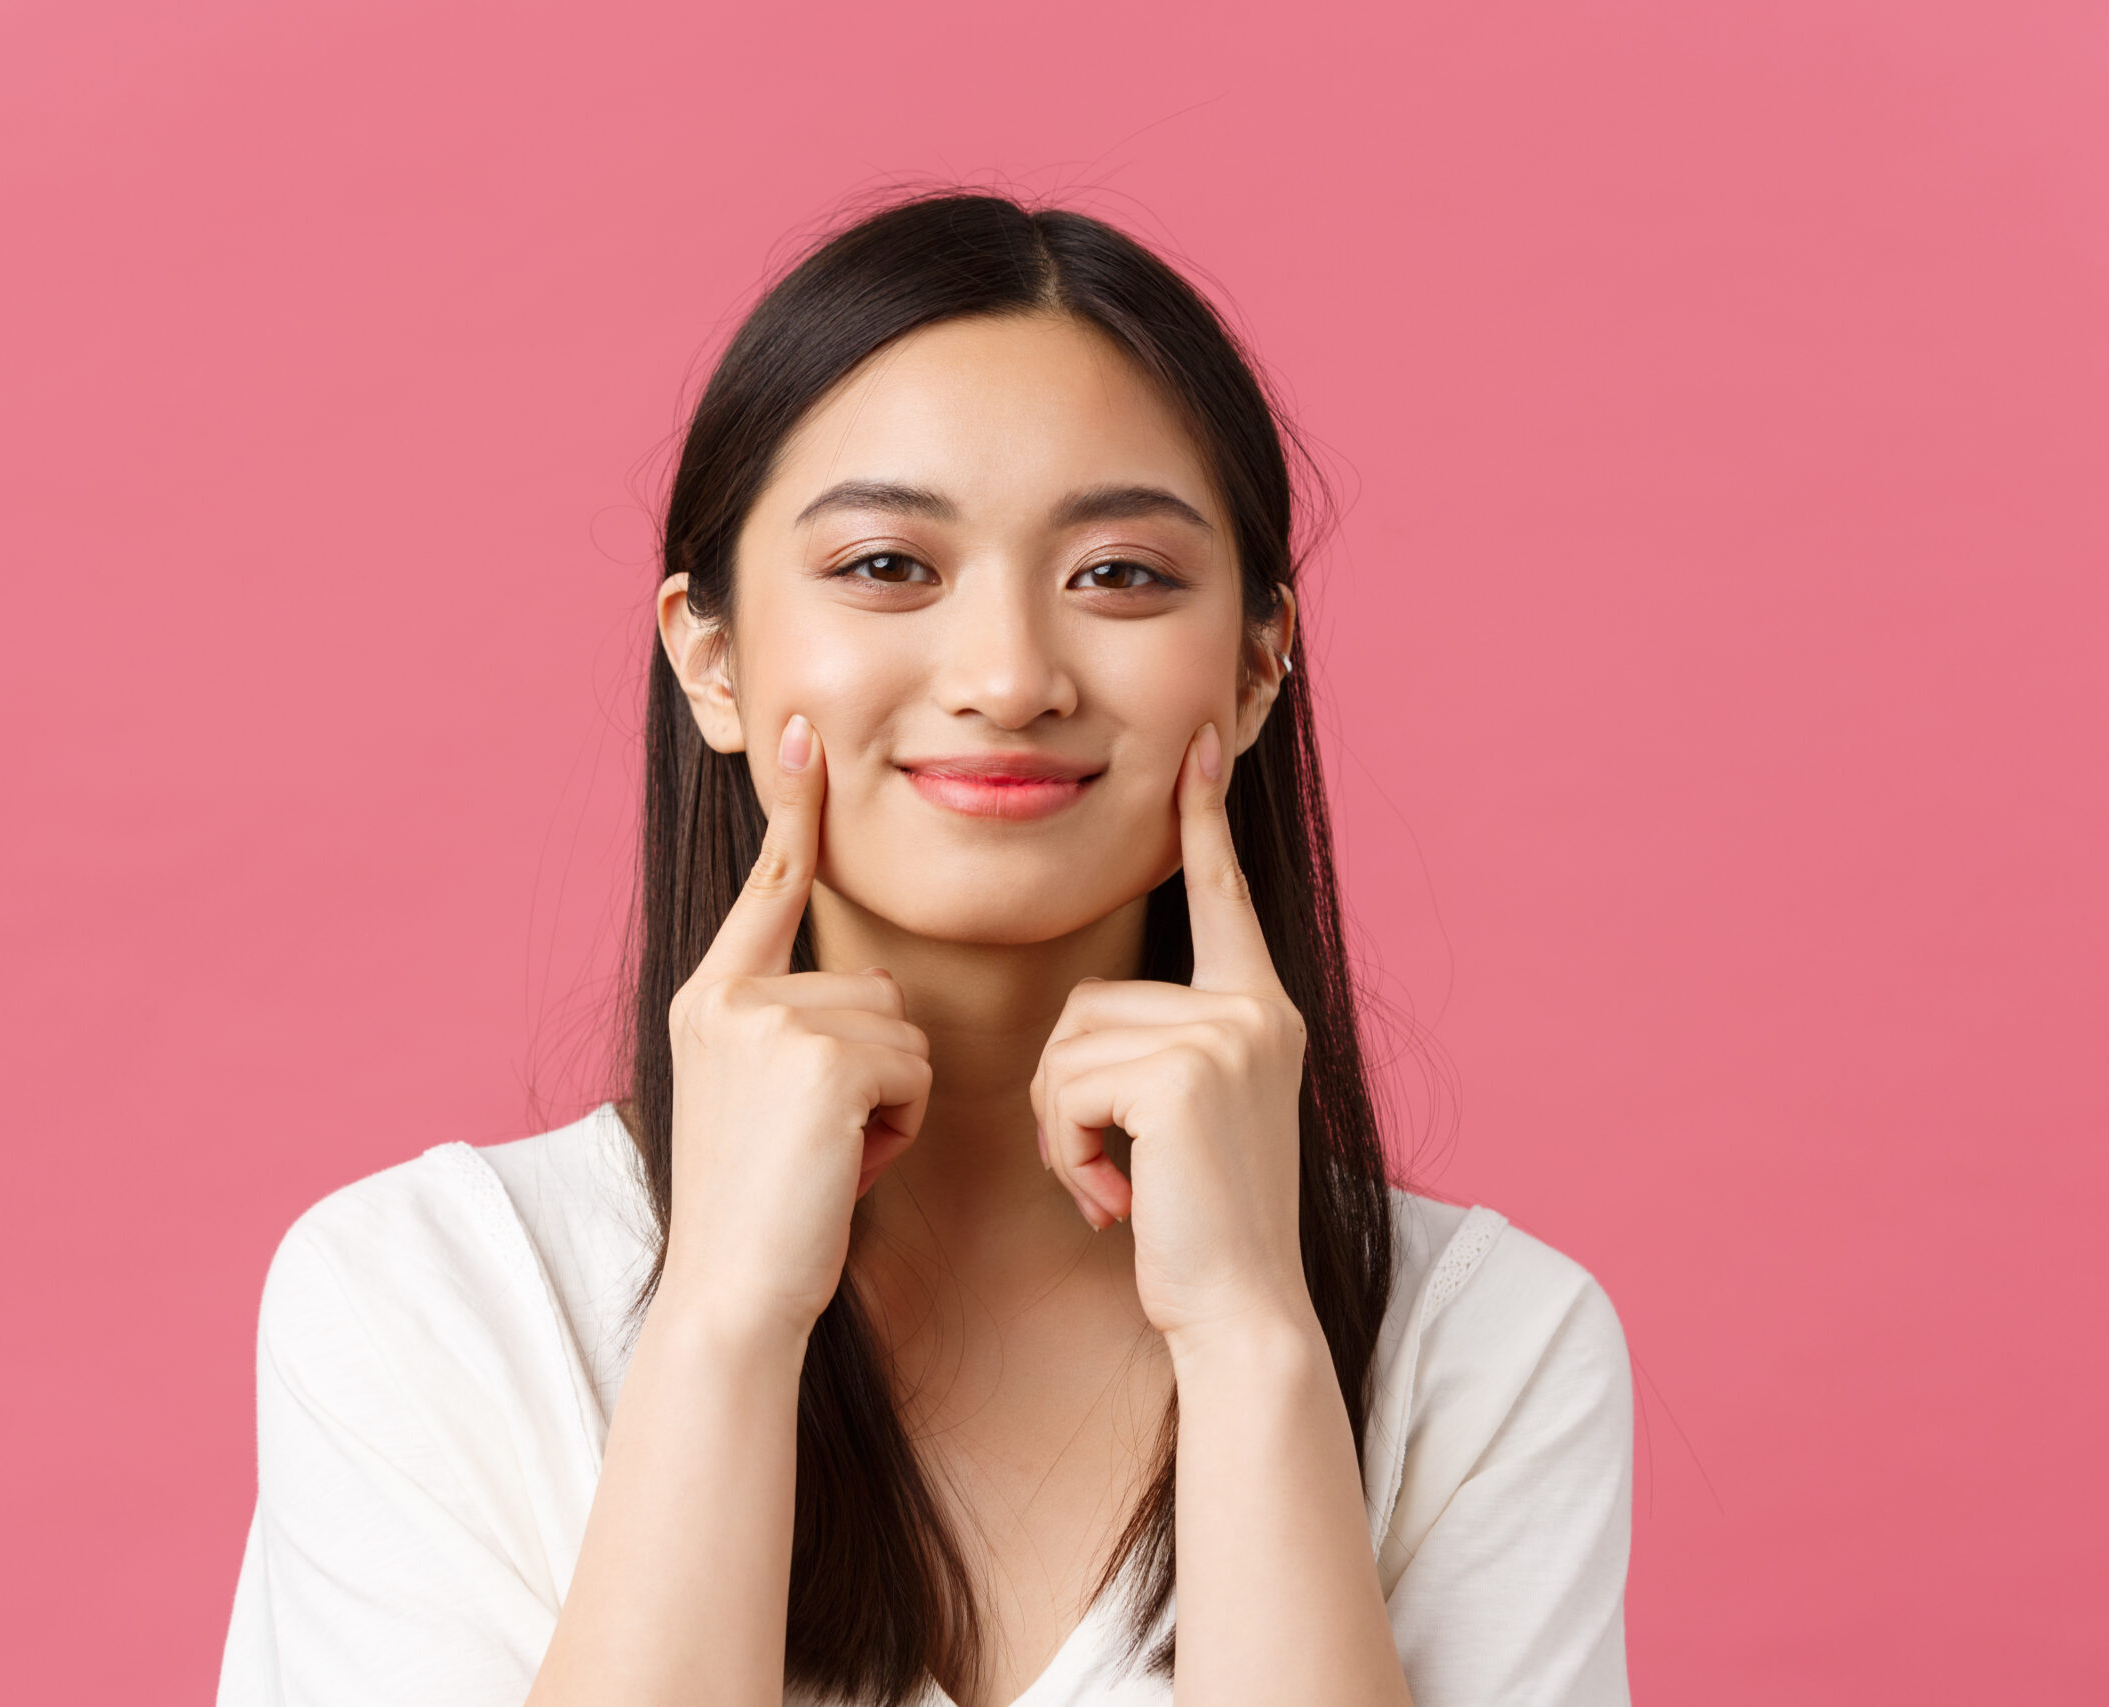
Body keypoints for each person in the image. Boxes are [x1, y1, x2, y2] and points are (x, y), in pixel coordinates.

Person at [215, 192, 1634, 1707]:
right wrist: (722, 1323)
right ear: (710, 654)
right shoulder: (425, 1302)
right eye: (889, 565)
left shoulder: (1489, 1347)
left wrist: (1250, 1338)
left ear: (1259, 658)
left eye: (1119, 574)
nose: (1010, 679)